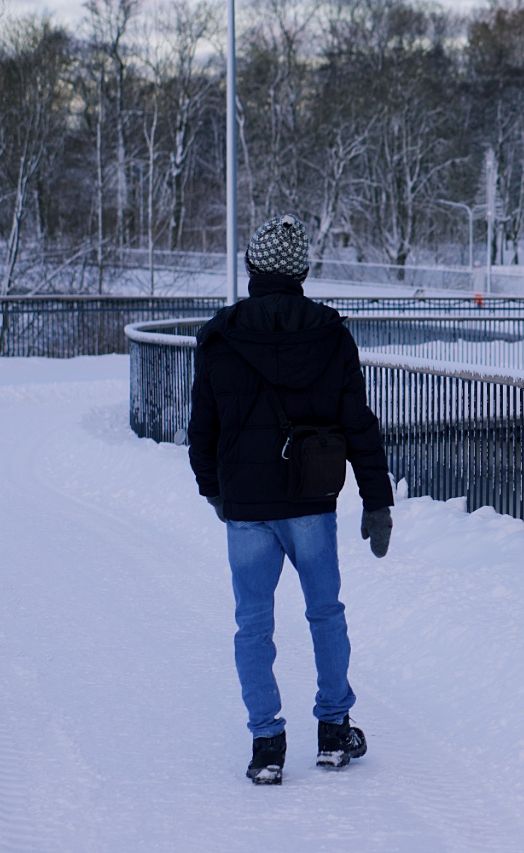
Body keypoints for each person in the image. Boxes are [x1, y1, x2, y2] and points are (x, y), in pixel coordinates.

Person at [187, 213, 395, 785]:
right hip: (310, 498)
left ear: (252, 268)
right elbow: (359, 425)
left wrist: (214, 491)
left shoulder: (219, 336)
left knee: (253, 625)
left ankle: (266, 743)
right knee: (324, 612)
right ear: (302, 271)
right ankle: (333, 731)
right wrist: (377, 500)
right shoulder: (329, 334)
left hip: (247, 506)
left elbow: (201, 429)